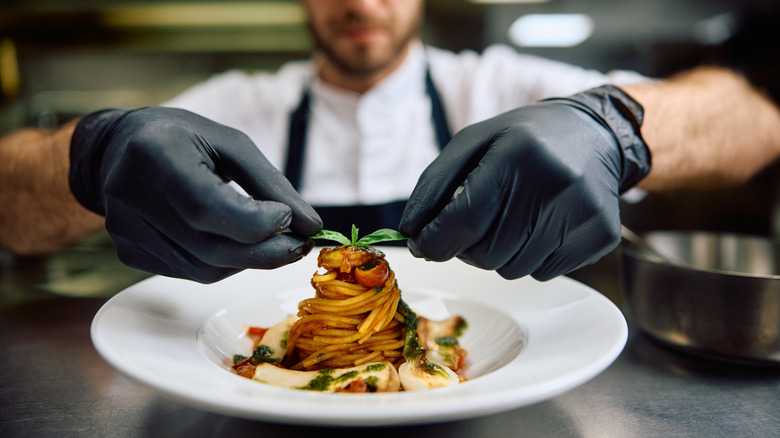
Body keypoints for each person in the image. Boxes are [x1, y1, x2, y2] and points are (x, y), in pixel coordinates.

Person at [1, 0, 779, 283]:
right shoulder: (237, 105)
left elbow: (755, 120)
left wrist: (615, 129)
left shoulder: (500, 83)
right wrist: (94, 156)